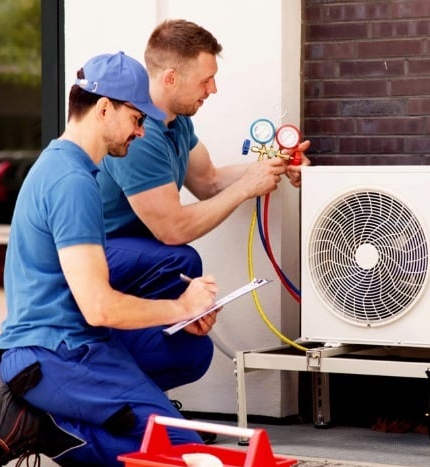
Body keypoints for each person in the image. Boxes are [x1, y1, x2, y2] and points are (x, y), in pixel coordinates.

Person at [0, 52, 220, 467]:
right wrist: (181, 307)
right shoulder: (71, 183)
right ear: (104, 108)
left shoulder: (65, 166)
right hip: (54, 352)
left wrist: (181, 317)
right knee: (183, 457)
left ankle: (81, 411)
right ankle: (45, 426)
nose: (141, 131)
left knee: (189, 348)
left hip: (71, 341)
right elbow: (100, 309)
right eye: (136, 119)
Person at [96, 19, 309, 311]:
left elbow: (208, 181)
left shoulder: (179, 121)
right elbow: (173, 230)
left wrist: (277, 166)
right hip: (95, 252)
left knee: (195, 345)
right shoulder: (140, 134)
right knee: (181, 261)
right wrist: (247, 187)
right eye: (205, 80)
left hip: (136, 251)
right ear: (170, 78)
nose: (213, 89)